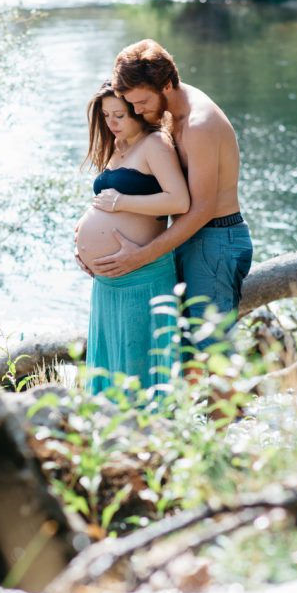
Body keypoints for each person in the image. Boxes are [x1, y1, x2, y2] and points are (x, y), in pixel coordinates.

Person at [91, 39, 253, 351]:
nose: (136, 111)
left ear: (166, 85)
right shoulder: (164, 112)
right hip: (186, 239)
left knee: (214, 351)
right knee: (185, 357)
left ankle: (238, 402)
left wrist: (141, 256)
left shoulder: (199, 123)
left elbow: (202, 209)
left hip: (215, 240)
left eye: (140, 103)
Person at [75, 80, 191, 395]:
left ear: (138, 112)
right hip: (107, 280)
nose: (111, 124)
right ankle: (112, 438)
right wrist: (82, 245)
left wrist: (123, 203)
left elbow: (179, 201)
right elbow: (105, 202)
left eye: (119, 116)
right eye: (106, 116)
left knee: (140, 367)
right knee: (111, 362)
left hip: (142, 274)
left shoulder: (155, 144)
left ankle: (148, 438)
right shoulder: (117, 145)